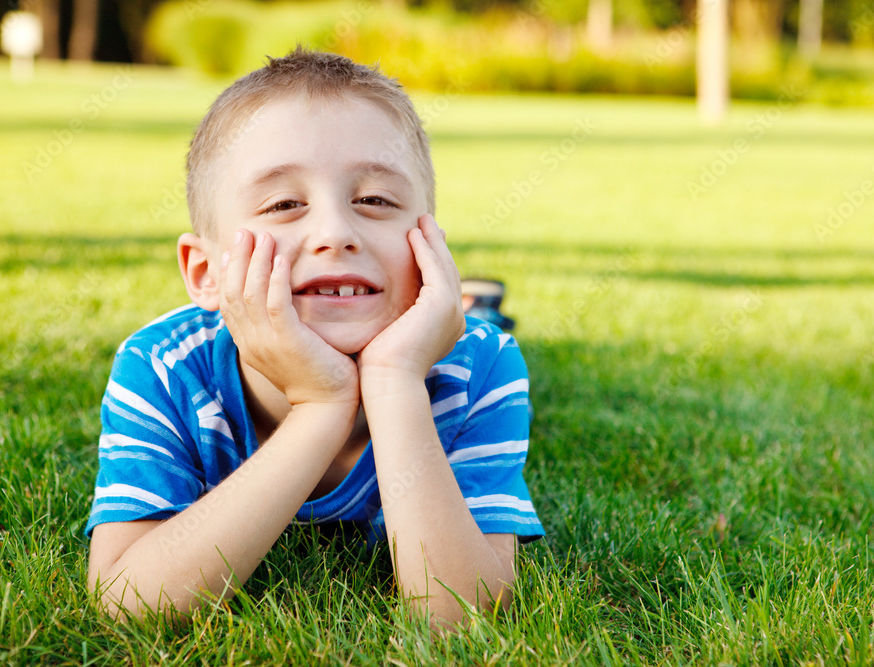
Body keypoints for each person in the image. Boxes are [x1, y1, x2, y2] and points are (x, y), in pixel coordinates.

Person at [85, 47, 544, 628]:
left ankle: (474, 304)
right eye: (284, 204)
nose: (335, 232)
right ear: (205, 273)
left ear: (431, 244)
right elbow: (130, 605)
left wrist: (397, 381)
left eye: (375, 200)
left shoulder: (481, 365)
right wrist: (320, 407)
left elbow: (459, 615)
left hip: (440, 336)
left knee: (480, 326)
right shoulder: (161, 366)